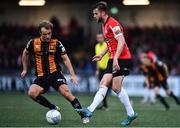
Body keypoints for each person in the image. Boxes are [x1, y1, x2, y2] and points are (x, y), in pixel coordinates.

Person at [76, 1, 138, 126]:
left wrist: (115, 58)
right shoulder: (104, 25)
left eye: (95, 13)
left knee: (116, 88)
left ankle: (131, 114)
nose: (94, 16)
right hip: (113, 58)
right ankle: (89, 110)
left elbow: (121, 41)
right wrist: (101, 55)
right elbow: (108, 43)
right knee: (104, 83)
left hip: (122, 58)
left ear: (103, 12)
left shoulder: (113, 23)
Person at [21, 20, 89, 123]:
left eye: (49, 34)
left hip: (55, 73)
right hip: (41, 76)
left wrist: (72, 75)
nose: (48, 36)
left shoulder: (56, 43)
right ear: (40, 33)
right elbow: (25, 53)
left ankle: (83, 116)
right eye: (45, 34)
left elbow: (66, 59)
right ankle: (52, 107)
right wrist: (25, 68)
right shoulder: (33, 43)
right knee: (32, 93)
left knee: (66, 93)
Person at [95, 33, 110, 110]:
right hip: (100, 70)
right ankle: (104, 105)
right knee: (102, 87)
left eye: (101, 37)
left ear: (103, 38)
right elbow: (97, 59)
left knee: (105, 87)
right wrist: (97, 70)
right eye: (98, 37)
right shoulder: (96, 46)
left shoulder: (107, 45)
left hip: (107, 69)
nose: (99, 39)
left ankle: (105, 105)